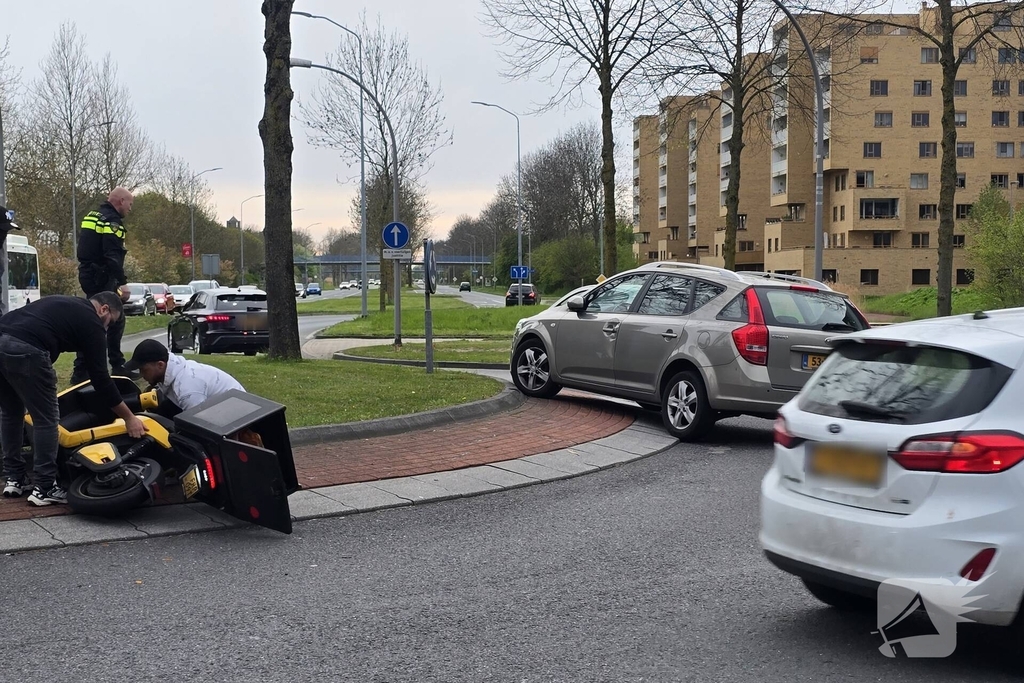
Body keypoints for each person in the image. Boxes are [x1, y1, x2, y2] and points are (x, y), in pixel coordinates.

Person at [0, 292, 147, 506]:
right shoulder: (92, 322)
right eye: (110, 322)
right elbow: (101, 380)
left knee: (11, 413)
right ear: (104, 309)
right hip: (28, 350)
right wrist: (129, 417)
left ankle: (14, 477)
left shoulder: (67, 304)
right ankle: (45, 486)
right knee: (47, 419)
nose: (106, 329)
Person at [71, 187, 135, 385]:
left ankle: (91, 368)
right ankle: (99, 368)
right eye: (130, 204)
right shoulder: (112, 221)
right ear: (121, 201)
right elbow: (112, 255)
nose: (130, 209)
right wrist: (122, 283)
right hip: (102, 276)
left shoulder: (93, 215)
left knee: (100, 319)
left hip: (88, 272)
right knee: (104, 320)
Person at [123, 339, 244, 412]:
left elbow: (197, 425)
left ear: (160, 365)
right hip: (219, 410)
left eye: (144, 370)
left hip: (238, 416)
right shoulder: (175, 372)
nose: (142, 375)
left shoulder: (187, 387)